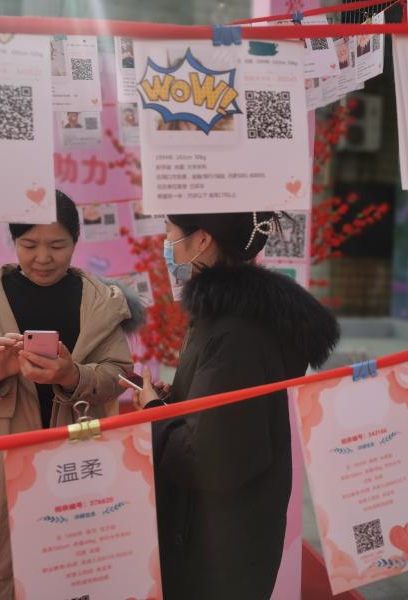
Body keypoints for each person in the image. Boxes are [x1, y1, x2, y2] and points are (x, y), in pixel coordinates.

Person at [0, 190, 144, 600]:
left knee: (72, 570)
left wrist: (73, 375)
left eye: (57, 245)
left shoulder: (101, 302)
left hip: (76, 458)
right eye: (29, 244)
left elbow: (118, 376)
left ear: (75, 241)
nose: (43, 257)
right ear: (13, 240)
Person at [122, 212, 339, 599]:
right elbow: (225, 422)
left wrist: (154, 411)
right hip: (229, 532)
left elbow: (207, 458)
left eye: (170, 234)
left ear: (202, 240)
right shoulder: (231, 315)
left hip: (218, 548)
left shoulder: (234, 329)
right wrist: (175, 400)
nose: (166, 246)